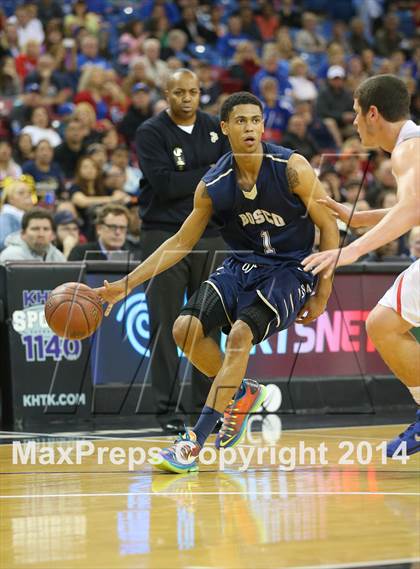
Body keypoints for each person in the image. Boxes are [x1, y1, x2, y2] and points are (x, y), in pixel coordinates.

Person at [97, 91, 339, 473]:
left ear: (263, 125)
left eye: (255, 120)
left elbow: (328, 227)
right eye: (240, 121)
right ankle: (241, 392)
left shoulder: (292, 167)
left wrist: (323, 290)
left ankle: (194, 441)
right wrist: (121, 286)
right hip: (242, 265)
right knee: (184, 329)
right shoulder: (213, 184)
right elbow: (179, 243)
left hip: (291, 268)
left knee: (240, 335)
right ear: (224, 128)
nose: (249, 128)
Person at [302, 75, 420, 457]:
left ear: (373, 113)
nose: (353, 123)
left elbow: (412, 210)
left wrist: (349, 252)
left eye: (355, 114)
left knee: (382, 323)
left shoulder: (408, 150)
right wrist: (359, 219)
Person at [134, 68, 231, 433]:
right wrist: (209, 172)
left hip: (212, 237)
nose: (187, 98)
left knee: (209, 325)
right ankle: (167, 412)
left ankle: (207, 410)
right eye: (179, 92)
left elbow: (230, 175)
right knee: (164, 325)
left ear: (200, 92)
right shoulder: (151, 132)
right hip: (163, 235)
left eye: (193, 91)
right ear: (167, 93)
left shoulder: (214, 126)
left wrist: (200, 175)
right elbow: (164, 184)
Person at [68, 203, 138, 261]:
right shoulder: (81, 253)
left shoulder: (135, 254)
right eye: (112, 227)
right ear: (99, 228)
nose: (118, 232)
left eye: (122, 228)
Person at [0, 207, 65, 262]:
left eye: (46, 229)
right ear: (23, 234)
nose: (41, 234)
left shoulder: (58, 256)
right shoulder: (11, 256)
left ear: (53, 235)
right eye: (35, 229)